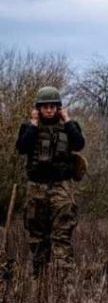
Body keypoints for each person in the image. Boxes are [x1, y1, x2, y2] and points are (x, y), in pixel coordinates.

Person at [15, 86, 86, 274]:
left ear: (58, 108)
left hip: (61, 186)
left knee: (62, 232)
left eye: (53, 106)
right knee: (37, 234)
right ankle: (40, 277)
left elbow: (79, 144)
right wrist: (32, 123)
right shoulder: (29, 127)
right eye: (45, 106)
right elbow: (22, 147)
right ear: (38, 108)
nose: (49, 110)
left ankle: (65, 277)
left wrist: (68, 120)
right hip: (36, 186)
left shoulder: (69, 126)